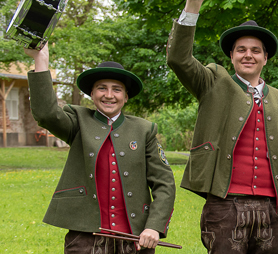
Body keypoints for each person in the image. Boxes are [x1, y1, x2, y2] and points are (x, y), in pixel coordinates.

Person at [166, 0, 278, 253]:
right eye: (240, 50)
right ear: (231, 56)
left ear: (266, 58)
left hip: (271, 209)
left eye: (255, 50)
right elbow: (178, 58)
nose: (247, 55)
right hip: (225, 205)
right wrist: (193, 4)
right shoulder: (213, 81)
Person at [25, 45, 175, 254]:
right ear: (92, 94)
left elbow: (164, 183)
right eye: (102, 88)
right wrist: (41, 60)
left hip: (135, 239)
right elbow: (46, 114)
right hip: (85, 239)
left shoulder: (144, 130)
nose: (109, 95)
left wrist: (154, 226)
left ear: (126, 96)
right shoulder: (77, 121)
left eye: (117, 89)